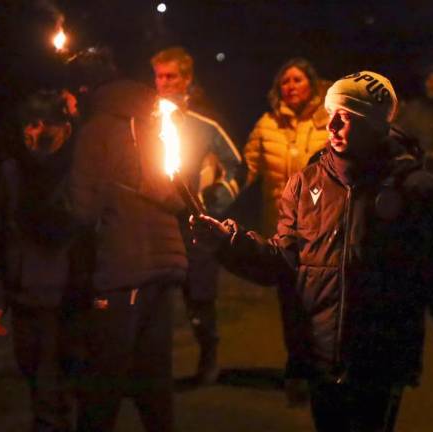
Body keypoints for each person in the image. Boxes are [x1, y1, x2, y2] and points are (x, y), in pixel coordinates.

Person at [194, 71, 433, 432]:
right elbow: (282, 262)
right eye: (331, 113)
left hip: (381, 358)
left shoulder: (416, 190)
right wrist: (228, 243)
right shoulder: (306, 182)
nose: (331, 125)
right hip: (321, 357)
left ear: (374, 124)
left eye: (346, 116)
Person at [67, 48, 187, 432]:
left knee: (102, 386)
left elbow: (82, 210)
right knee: (154, 384)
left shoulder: (97, 129)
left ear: (85, 88)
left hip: (122, 271)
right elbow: (172, 190)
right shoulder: (154, 122)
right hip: (163, 265)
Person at [0, 89, 80, 432]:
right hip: (23, 293)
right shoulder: (12, 172)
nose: (33, 132)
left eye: (43, 124)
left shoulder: (75, 171)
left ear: (64, 129)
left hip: (61, 297)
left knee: (52, 385)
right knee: (31, 371)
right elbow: (2, 233)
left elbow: (70, 229)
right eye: (28, 123)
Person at [151, 46, 243, 383]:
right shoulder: (145, 120)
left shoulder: (204, 124)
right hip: (157, 224)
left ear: (187, 78)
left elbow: (236, 167)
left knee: (199, 296)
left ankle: (208, 358)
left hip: (193, 227)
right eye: (159, 76)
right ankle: (153, 368)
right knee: (155, 297)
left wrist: (210, 203)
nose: (164, 82)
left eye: (171, 75)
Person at [244, 57, 330, 236]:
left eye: (297, 80)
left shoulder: (329, 123)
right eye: (285, 82)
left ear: (312, 84)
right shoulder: (267, 124)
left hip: (319, 223)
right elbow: (247, 169)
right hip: (276, 225)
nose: (291, 86)